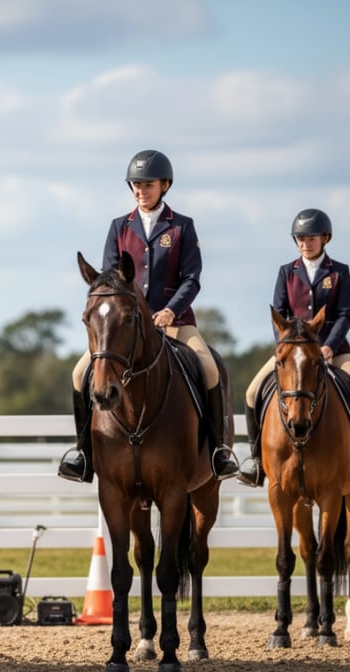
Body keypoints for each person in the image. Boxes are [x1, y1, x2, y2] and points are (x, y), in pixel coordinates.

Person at [57, 149, 239, 482]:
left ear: (165, 185)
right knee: (79, 373)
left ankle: (218, 451)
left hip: (175, 323)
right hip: (125, 329)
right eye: (136, 185)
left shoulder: (182, 227)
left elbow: (192, 278)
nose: (142, 190)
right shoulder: (119, 227)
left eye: (148, 184)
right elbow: (110, 280)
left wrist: (172, 310)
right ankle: (83, 453)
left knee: (210, 369)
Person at [237, 208, 350, 488]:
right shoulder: (286, 272)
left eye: (311, 238)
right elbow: (279, 314)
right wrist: (284, 347)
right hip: (293, 353)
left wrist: (328, 346)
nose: (306, 244)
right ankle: (256, 460)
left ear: (325, 238)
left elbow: (345, 314)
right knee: (251, 392)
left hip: (334, 349)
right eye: (301, 239)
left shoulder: (339, 271)